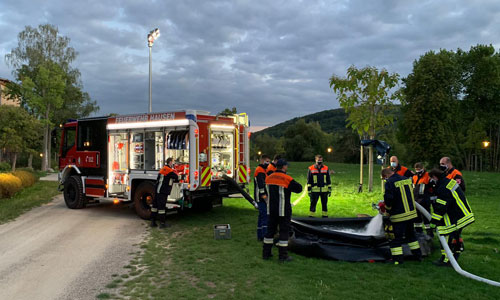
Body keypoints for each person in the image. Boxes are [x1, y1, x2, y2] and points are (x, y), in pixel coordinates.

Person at [428, 168, 474, 266]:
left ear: (435, 177)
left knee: (445, 236)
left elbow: (441, 206)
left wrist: (434, 221)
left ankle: (447, 260)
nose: (431, 181)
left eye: (431, 178)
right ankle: (454, 257)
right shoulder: (448, 182)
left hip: (456, 216)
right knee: (455, 237)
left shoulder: (443, 187)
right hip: (463, 213)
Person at [262, 159, 303, 262]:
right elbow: (299, 189)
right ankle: (283, 256)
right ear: (284, 167)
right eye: (286, 166)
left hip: (271, 209)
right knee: (283, 232)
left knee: (270, 231)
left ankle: (266, 254)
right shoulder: (287, 178)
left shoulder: (269, 178)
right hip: (283, 210)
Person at [380, 167, 422, 264]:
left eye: (384, 178)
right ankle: (418, 256)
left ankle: (397, 260)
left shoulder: (389, 183)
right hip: (411, 214)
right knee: (411, 236)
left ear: (385, 176)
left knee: (395, 238)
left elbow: (389, 199)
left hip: (399, 216)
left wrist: (387, 210)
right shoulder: (405, 179)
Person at [151, 157, 179, 228]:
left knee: (155, 206)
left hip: (158, 189)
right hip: (162, 191)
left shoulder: (163, 169)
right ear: (170, 162)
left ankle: (153, 222)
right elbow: (176, 177)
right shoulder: (169, 170)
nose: (173, 163)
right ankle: (162, 224)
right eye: (173, 162)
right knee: (161, 207)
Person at [412, 162, 433, 236]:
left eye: (419, 169)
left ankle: (430, 234)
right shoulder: (414, 177)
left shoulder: (428, 176)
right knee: (417, 219)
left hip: (425, 201)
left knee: (427, 218)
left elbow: (431, 188)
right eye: (416, 170)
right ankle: (419, 233)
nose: (418, 171)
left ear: (423, 168)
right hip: (416, 201)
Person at [254, 154, 270, 241]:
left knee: (261, 217)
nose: (268, 163)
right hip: (261, 198)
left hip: (260, 197)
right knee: (264, 217)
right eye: (267, 161)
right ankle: (265, 235)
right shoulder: (260, 171)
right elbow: (261, 187)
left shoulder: (263, 170)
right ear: (262, 161)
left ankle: (260, 235)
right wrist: (265, 198)